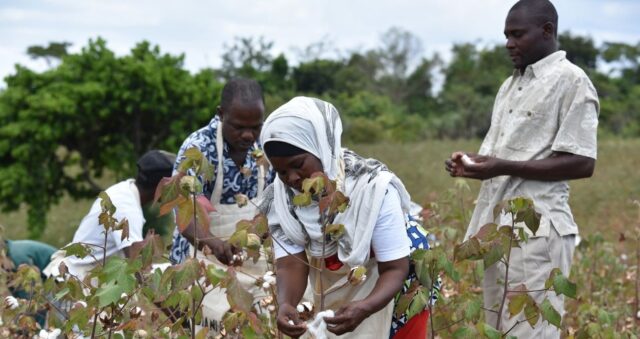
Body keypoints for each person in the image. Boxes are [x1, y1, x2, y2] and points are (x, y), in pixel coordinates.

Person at [445, 0, 598, 337]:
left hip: (538, 233)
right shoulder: (510, 85)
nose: (509, 43)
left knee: (530, 332)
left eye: (517, 34)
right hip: (498, 230)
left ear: (547, 31)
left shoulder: (572, 81)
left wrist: (501, 166)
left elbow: (583, 162)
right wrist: (470, 164)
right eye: (506, 35)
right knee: (496, 328)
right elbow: (500, 157)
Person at [259, 96, 431, 338]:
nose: (293, 178)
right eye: (282, 171)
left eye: (298, 164)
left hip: (396, 283)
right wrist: (287, 303)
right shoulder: (281, 198)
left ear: (321, 146)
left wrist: (365, 307)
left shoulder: (372, 188)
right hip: (340, 283)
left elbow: (394, 267)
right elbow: (290, 263)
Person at [168, 78, 275, 329]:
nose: (248, 135)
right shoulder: (198, 149)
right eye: (238, 127)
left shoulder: (264, 148)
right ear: (221, 114)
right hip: (201, 256)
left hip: (251, 259)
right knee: (212, 325)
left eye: (255, 127)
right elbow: (184, 215)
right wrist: (213, 243)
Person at [43, 150, 175, 280]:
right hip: (74, 286)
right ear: (162, 186)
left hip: (74, 278)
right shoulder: (127, 210)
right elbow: (138, 269)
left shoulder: (124, 189)